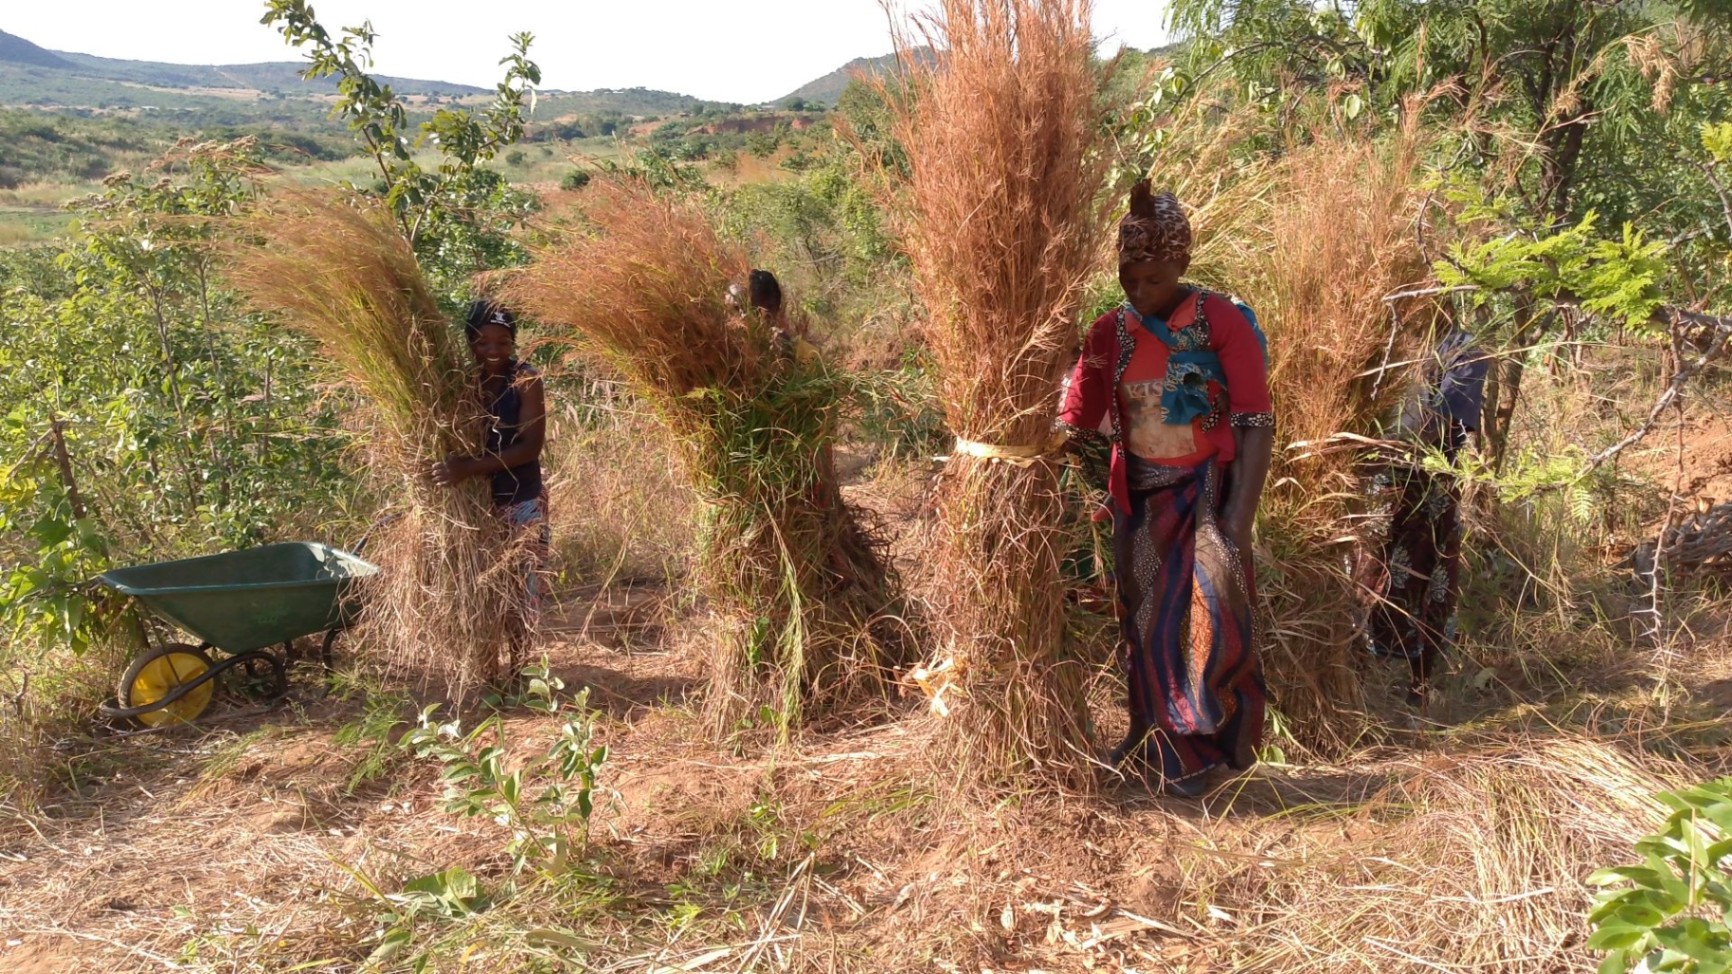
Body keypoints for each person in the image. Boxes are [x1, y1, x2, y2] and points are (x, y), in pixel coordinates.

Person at [1057, 181, 1275, 797]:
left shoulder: (1218, 321)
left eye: (1152, 278)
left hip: (1208, 494)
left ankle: (1206, 750)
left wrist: (1236, 517)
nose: (1139, 291)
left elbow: (1256, 419)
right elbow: (1080, 416)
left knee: (1213, 620)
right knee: (1146, 622)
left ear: (1180, 264)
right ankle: (1148, 735)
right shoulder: (1110, 334)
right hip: (1142, 500)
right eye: (1128, 278)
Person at [1364, 328, 1488, 706]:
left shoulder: (1463, 350)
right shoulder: (1376, 334)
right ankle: (1357, 683)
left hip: (1427, 489)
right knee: (1365, 581)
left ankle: (1418, 689)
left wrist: (1379, 442)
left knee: (1426, 583)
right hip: (1372, 485)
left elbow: (1440, 430)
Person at [429, 299, 550, 669]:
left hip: (521, 500)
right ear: (469, 344)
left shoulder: (525, 380)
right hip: (474, 507)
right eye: (483, 343)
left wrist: (470, 468)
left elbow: (530, 446)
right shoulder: (458, 384)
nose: (493, 351)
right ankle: (485, 669)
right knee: (480, 591)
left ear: (514, 343)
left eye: (503, 342)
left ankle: (521, 669)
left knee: (521, 589)